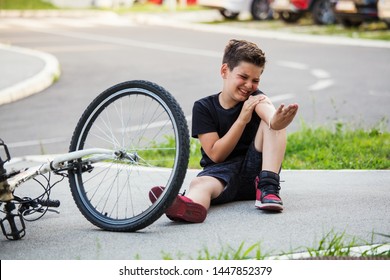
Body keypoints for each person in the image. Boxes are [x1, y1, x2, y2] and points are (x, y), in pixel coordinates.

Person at [149, 39, 298, 223]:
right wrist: (242, 120)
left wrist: (277, 120)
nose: (249, 85)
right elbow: (216, 155)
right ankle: (188, 207)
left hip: (256, 173)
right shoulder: (203, 107)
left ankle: (268, 188)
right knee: (199, 183)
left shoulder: (256, 98)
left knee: (273, 124)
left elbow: (270, 116)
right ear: (224, 71)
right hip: (220, 174)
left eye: (255, 80)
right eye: (243, 77)